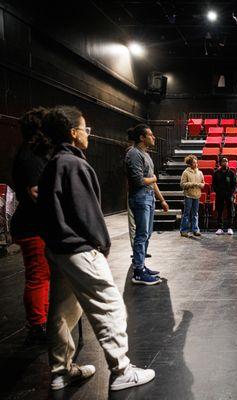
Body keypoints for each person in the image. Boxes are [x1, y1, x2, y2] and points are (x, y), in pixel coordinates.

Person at [37, 105, 155, 391]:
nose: (88, 133)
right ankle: (121, 370)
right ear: (73, 133)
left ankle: (61, 371)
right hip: (79, 248)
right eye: (85, 128)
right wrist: (102, 244)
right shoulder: (75, 164)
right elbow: (87, 213)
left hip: (58, 248)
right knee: (110, 305)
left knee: (62, 311)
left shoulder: (53, 162)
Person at [10, 107, 52, 343]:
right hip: (32, 225)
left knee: (43, 274)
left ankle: (42, 319)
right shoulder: (31, 156)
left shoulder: (32, 153)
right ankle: (37, 326)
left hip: (35, 224)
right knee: (38, 275)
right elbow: (38, 192)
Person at [125, 124, 168, 285]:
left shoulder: (146, 154)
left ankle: (142, 266)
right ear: (142, 138)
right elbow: (138, 181)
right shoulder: (134, 154)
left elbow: (151, 181)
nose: (154, 137)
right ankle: (138, 271)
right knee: (141, 234)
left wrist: (162, 199)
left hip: (148, 197)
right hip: (140, 197)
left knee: (147, 233)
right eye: (150, 135)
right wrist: (154, 178)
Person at [180, 154, 205, 237]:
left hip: (197, 195)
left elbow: (202, 182)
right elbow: (182, 184)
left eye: (196, 163)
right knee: (187, 213)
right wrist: (194, 184)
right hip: (188, 195)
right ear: (190, 164)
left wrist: (202, 185)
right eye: (194, 163)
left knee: (195, 214)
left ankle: (195, 229)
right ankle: (184, 230)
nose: (196, 164)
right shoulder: (186, 172)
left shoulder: (200, 172)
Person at [212, 157, 237, 235]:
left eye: (226, 161)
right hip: (219, 195)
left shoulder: (232, 173)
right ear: (220, 163)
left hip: (229, 195)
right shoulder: (216, 173)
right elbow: (214, 185)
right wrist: (218, 192)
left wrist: (231, 193)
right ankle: (220, 228)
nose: (225, 162)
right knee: (219, 211)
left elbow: (234, 185)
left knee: (230, 211)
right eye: (223, 161)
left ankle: (230, 228)